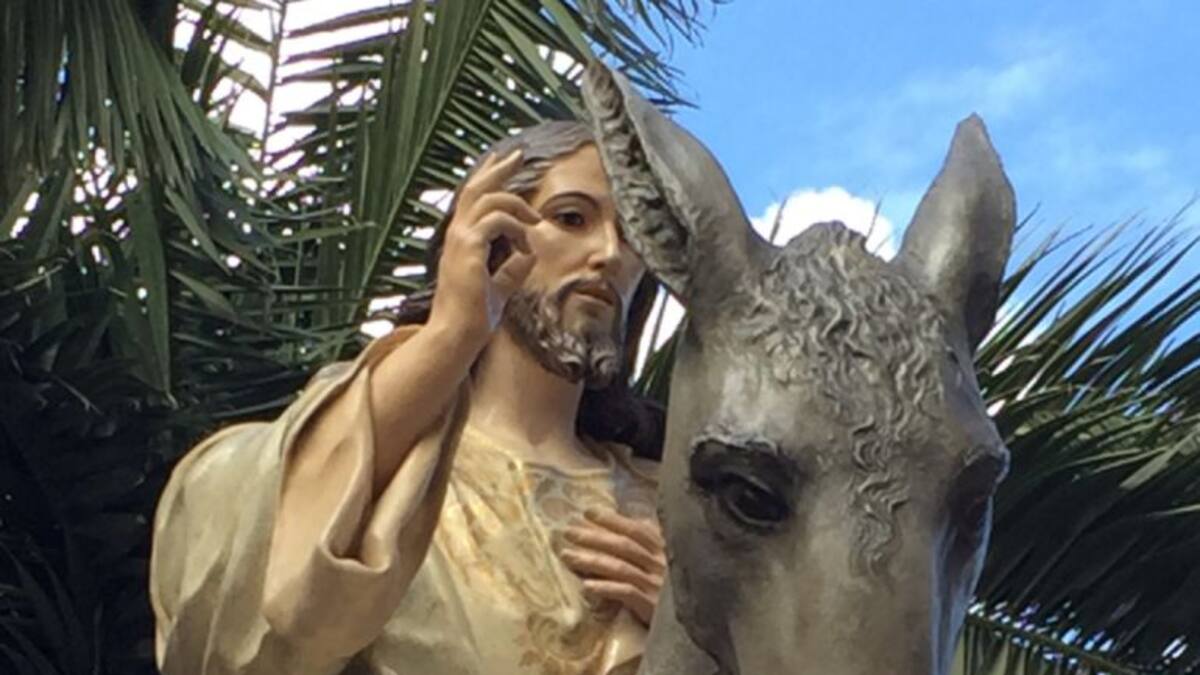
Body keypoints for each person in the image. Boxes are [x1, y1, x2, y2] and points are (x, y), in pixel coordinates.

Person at [149, 121, 668, 675]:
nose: (610, 254)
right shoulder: (381, 473)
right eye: (572, 218)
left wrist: (700, 630)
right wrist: (452, 332)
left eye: (633, 235)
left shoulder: (670, 510)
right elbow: (248, 604)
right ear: (490, 235)